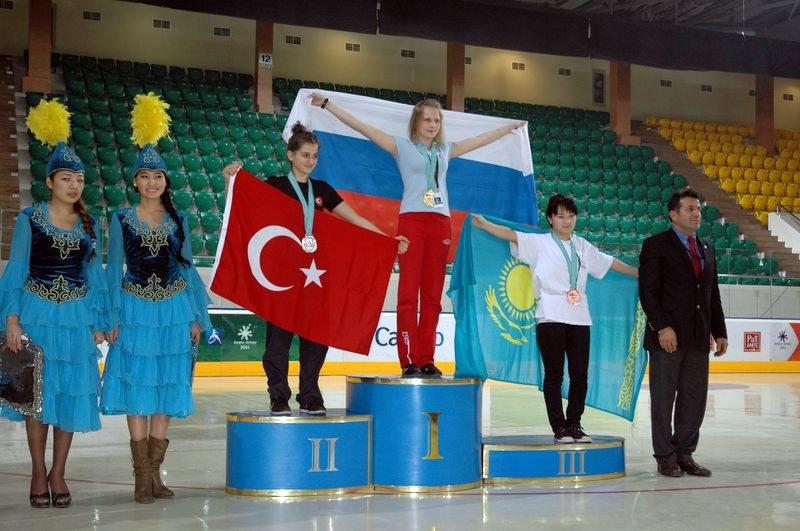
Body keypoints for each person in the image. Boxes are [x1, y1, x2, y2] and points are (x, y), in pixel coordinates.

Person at [310, 92, 524, 377]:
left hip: (440, 224)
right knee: (409, 294)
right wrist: (328, 105)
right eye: (427, 119)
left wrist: (509, 128)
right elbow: (363, 128)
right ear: (417, 122)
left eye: (437, 120)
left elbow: (481, 140)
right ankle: (408, 359)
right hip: (412, 222)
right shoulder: (401, 146)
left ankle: (427, 358)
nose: (432, 124)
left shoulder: (445, 150)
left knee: (433, 297)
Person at [222, 123, 409, 417]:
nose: (310, 160)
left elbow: (355, 219)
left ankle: (310, 395)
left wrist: (387, 241)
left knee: (316, 338)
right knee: (278, 342)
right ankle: (278, 396)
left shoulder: (322, 190)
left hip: (314, 275)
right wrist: (230, 181)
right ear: (290, 154)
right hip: (283, 277)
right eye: (305, 154)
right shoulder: (276, 185)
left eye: (315, 156)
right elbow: (242, 206)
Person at [99, 93, 211, 503]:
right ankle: (140, 477)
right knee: (137, 386)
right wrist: (111, 314)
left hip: (175, 309)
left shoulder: (177, 220)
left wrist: (197, 316)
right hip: (134, 308)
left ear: (166, 182)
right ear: (135, 181)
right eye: (145, 176)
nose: (152, 183)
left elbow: (186, 268)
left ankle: (153, 476)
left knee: (167, 384)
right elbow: (112, 270)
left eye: (158, 177)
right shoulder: (121, 218)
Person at [0, 99, 107, 508]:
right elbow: (16, 269)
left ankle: (59, 473)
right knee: (36, 396)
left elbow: (94, 275)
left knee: (70, 396)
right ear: (50, 182)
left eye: (78, 179)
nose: (73, 185)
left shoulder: (87, 223)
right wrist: (11, 319)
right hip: (37, 314)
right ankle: (36, 471)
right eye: (66, 178)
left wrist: (99, 318)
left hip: (77, 319)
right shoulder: (29, 218)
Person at [471, 194, 638, 443]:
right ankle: (559, 428)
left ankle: (575, 425)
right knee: (555, 374)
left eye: (571, 216)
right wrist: (485, 225)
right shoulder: (539, 243)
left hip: (580, 318)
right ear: (550, 218)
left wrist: (638, 273)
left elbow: (609, 262)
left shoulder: (582, 246)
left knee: (580, 375)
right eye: (560, 216)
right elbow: (509, 234)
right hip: (550, 316)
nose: (566, 221)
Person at [638, 187, 728, 478]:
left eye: (698, 208)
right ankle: (665, 456)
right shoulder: (656, 245)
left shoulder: (706, 249)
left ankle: (685, 454)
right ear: (673, 214)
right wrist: (662, 327)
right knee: (663, 400)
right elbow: (648, 293)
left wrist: (720, 331)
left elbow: (712, 294)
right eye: (690, 208)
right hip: (667, 338)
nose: (697, 213)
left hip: (699, 338)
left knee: (694, 399)